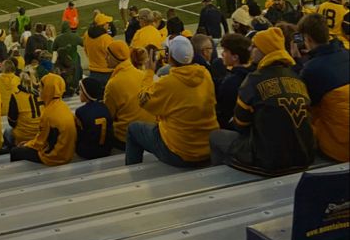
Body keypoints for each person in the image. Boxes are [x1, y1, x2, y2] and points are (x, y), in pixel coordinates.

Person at [209, 26, 315, 175]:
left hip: (269, 160)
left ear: (264, 50)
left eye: (254, 46)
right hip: (304, 156)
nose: (251, 50)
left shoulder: (253, 80)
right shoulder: (296, 77)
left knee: (216, 136)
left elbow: (240, 124)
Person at [125, 37, 218, 167]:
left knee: (133, 129)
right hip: (207, 147)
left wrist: (149, 72)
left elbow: (143, 100)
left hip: (181, 152)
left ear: (170, 56)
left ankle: (132, 173)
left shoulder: (168, 82)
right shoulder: (205, 74)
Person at [298, 13, 349, 163]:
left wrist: (296, 64)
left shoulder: (312, 69)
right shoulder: (346, 53)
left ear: (307, 38)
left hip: (340, 149)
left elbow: (305, 106)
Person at [10, 73, 76, 165]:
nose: (39, 90)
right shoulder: (64, 107)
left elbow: (39, 143)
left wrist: (26, 144)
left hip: (54, 157)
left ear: (48, 90)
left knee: (15, 152)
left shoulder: (48, 114)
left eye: (41, 87)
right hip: (66, 153)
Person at [104, 40, 154, 149]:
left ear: (114, 57)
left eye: (107, 55)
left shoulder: (113, 83)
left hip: (126, 137)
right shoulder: (143, 75)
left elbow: (108, 114)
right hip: (151, 132)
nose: (105, 58)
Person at [215, 34, 253, 128]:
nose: (222, 54)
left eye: (225, 51)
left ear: (235, 57)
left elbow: (224, 112)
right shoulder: (253, 74)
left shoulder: (231, 82)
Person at [75, 76, 114, 160]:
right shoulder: (105, 107)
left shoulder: (80, 111)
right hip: (106, 150)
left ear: (86, 93)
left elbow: (79, 135)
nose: (79, 92)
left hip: (88, 152)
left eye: (81, 90)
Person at [5, 69, 42, 149]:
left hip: (23, 138)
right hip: (42, 136)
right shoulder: (44, 93)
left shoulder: (16, 96)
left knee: (7, 131)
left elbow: (12, 121)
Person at [82, 13, 114, 87]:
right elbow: (113, 55)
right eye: (107, 23)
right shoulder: (105, 38)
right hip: (106, 72)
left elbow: (86, 50)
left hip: (93, 71)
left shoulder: (87, 34)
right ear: (103, 25)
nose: (109, 25)